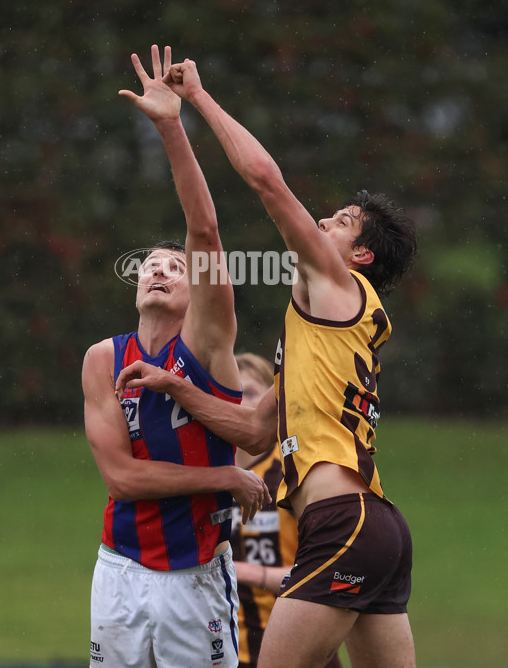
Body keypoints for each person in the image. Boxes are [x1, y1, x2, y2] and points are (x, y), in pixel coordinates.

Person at [116, 55, 418, 668]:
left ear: (358, 256)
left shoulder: (336, 283)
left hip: (342, 524)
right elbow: (255, 429)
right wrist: (177, 387)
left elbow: (266, 181)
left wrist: (198, 98)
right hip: (377, 529)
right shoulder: (324, 337)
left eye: (342, 222)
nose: (325, 220)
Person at [83, 46, 269, 668]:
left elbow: (205, 230)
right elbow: (123, 480)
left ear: (199, 293)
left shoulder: (210, 345)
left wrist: (170, 125)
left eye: (175, 266)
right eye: (150, 265)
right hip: (119, 569)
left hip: (195, 576)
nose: (159, 269)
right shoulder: (102, 360)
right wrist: (225, 476)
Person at [232, 353, 343, 668]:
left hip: (299, 645)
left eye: (251, 393)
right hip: (218, 648)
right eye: (232, 393)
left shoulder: (292, 470)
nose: (240, 403)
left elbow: (330, 570)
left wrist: (246, 573)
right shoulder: (203, 471)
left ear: (273, 405)